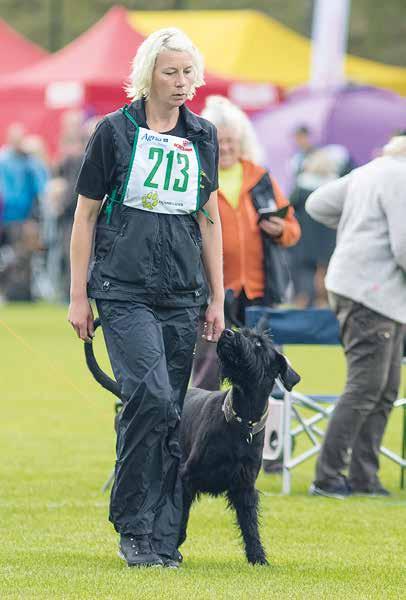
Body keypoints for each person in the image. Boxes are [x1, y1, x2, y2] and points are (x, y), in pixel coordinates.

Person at [68, 28, 224, 568]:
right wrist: (77, 296)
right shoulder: (113, 132)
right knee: (153, 399)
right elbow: (84, 216)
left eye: (188, 73)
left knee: (166, 411)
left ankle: (162, 536)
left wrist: (217, 297)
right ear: (147, 75)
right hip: (123, 289)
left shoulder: (203, 135)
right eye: (171, 73)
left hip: (183, 293)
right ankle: (132, 524)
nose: (182, 83)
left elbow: (209, 218)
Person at [306, 132, 406, 499]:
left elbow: (318, 203)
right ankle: (328, 477)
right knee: (366, 389)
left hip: (369, 291)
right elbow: (404, 246)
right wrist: (362, 232)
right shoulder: (401, 177)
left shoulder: (374, 169)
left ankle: (365, 477)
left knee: (383, 390)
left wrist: (357, 228)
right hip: (371, 292)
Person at [192, 96, 300, 391]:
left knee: (266, 367)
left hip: (259, 289)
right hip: (212, 289)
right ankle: (199, 427)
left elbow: (293, 229)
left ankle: (268, 432)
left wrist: (279, 229)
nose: (225, 147)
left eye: (231, 141)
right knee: (208, 367)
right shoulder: (198, 175)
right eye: (220, 140)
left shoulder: (260, 177)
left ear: (242, 141)